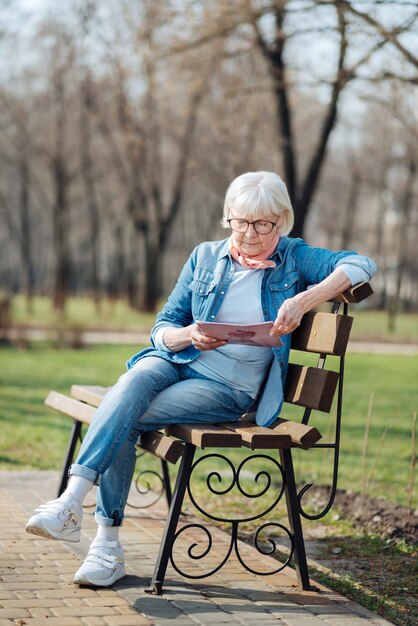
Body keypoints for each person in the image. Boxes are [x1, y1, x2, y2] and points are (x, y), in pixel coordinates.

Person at [26, 171, 376, 587]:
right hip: (178, 360)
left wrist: (303, 300)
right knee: (134, 384)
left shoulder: (295, 258)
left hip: (228, 389)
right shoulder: (206, 256)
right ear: (227, 216)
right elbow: (163, 327)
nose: (248, 234)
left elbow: (361, 264)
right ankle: (72, 503)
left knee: (122, 411)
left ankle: (103, 542)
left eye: (262, 224)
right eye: (240, 222)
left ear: (282, 220)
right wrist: (188, 335)